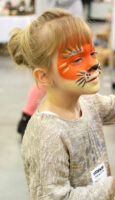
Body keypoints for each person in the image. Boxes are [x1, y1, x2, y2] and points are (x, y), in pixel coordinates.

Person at [8, 8, 115, 199]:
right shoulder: (46, 134)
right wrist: (111, 189)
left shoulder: (87, 102)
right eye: (77, 59)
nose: (94, 64)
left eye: (92, 52)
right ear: (44, 76)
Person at [16, 0, 84, 138]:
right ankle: (27, 117)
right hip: (59, 29)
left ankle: (27, 116)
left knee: (51, 77)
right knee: (51, 76)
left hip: (56, 27)